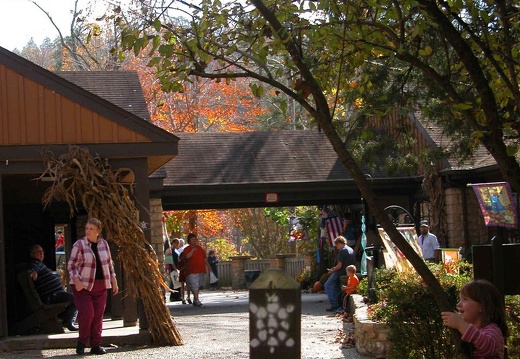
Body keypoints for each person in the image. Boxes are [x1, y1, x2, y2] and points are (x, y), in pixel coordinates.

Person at [68, 218, 118, 355]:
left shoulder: (104, 244)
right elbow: (71, 265)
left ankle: (96, 345)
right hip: (83, 286)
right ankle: (82, 342)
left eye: (91, 229)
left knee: (98, 316)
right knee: (87, 313)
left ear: (98, 231)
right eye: (87, 228)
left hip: (101, 285)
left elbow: (109, 263)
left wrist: (114, 280)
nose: (88, 231)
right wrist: (76, 281)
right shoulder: (79, 245)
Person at [441, 279, 508, 359]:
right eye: (460, 300)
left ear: (482, 306)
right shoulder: (470, 331)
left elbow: (487, 347)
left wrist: (460, 324)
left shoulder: (492, 329)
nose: (458, 304)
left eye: (465, 299)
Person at [27, 244, 78, 331]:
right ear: (32, 254)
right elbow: (33, 269)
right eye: (38, 252)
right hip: (51, 296)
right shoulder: (35, 263)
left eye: (42, 252)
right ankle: (67, 321)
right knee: (77, 299)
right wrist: (32, 272)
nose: (41, 254)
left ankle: (66, 320)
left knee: (77, 298)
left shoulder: (40, 264)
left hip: (55, 293)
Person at [324, 236, 355, 311]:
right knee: (337, 287)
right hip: (347, 271)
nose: (337, 247)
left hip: (340, 272)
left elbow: (339, 265)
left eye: (337, 245)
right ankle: (339, 303)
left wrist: (332, 270)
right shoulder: (350, 249)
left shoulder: (342, 250)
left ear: (339, 243)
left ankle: (334, 304)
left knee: (327, 285)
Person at [182, 233, 208, 307]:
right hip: (191, 270)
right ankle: (196, 300)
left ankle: (195, 298)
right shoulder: (187, 249)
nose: (194, 241)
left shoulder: (200, 248)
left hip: (200, 269)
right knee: (194, 284)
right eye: (192, 239)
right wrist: (192, 250)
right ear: (189, 241)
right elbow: (187, 257)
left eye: (195, 239)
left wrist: (208, 266)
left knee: (198, 284)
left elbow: (204, 258)